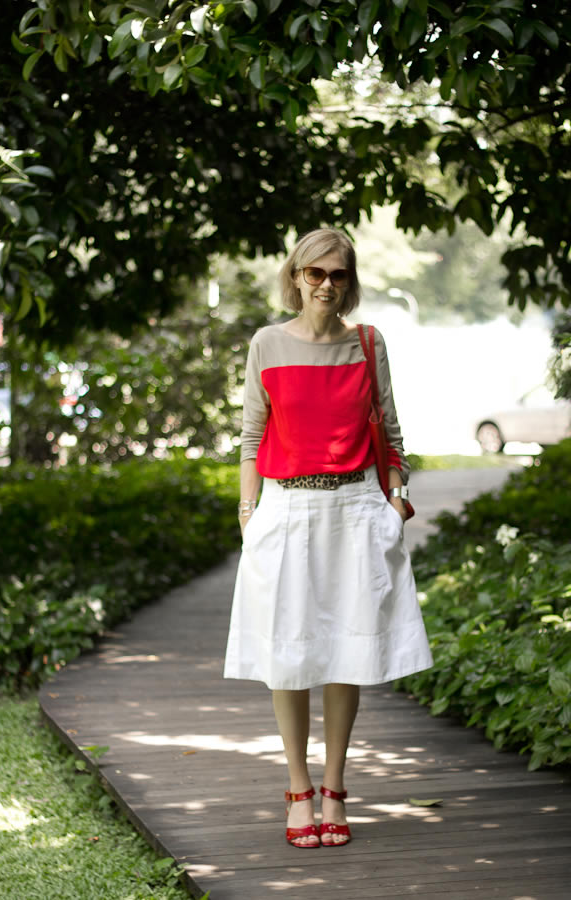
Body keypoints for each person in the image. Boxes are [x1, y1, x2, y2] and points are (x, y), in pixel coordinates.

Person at [224, 228, 433, 848]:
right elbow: (250, 438)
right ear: (295, 277)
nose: (326, 285)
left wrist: (394, 502)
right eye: (314, 274)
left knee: (346, 651)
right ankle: (297, 788)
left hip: (355, 507)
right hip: (285, 510)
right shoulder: (267, 343)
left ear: (351, 281)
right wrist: (247, 512)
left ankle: (336, 787)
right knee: (288, 655)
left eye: (338, 274)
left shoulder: (368, 343)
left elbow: (390, 429)